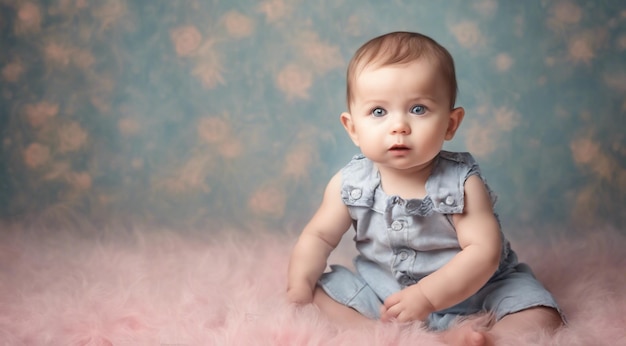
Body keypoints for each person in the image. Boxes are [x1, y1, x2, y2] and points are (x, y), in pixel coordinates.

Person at [286, 31, 564, 345]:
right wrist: (299, 285)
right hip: (386, 297)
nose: (399, 126)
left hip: (476, 290)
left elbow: (484, 252)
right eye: (379, 112)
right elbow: (318, 236)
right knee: (325, 287)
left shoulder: (462, 182)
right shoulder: (349, 182)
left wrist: (428, 296)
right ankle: (376, 335)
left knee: (540, 311)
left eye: (418, 109)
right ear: (353, 128)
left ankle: (489, 338)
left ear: (450, 124)